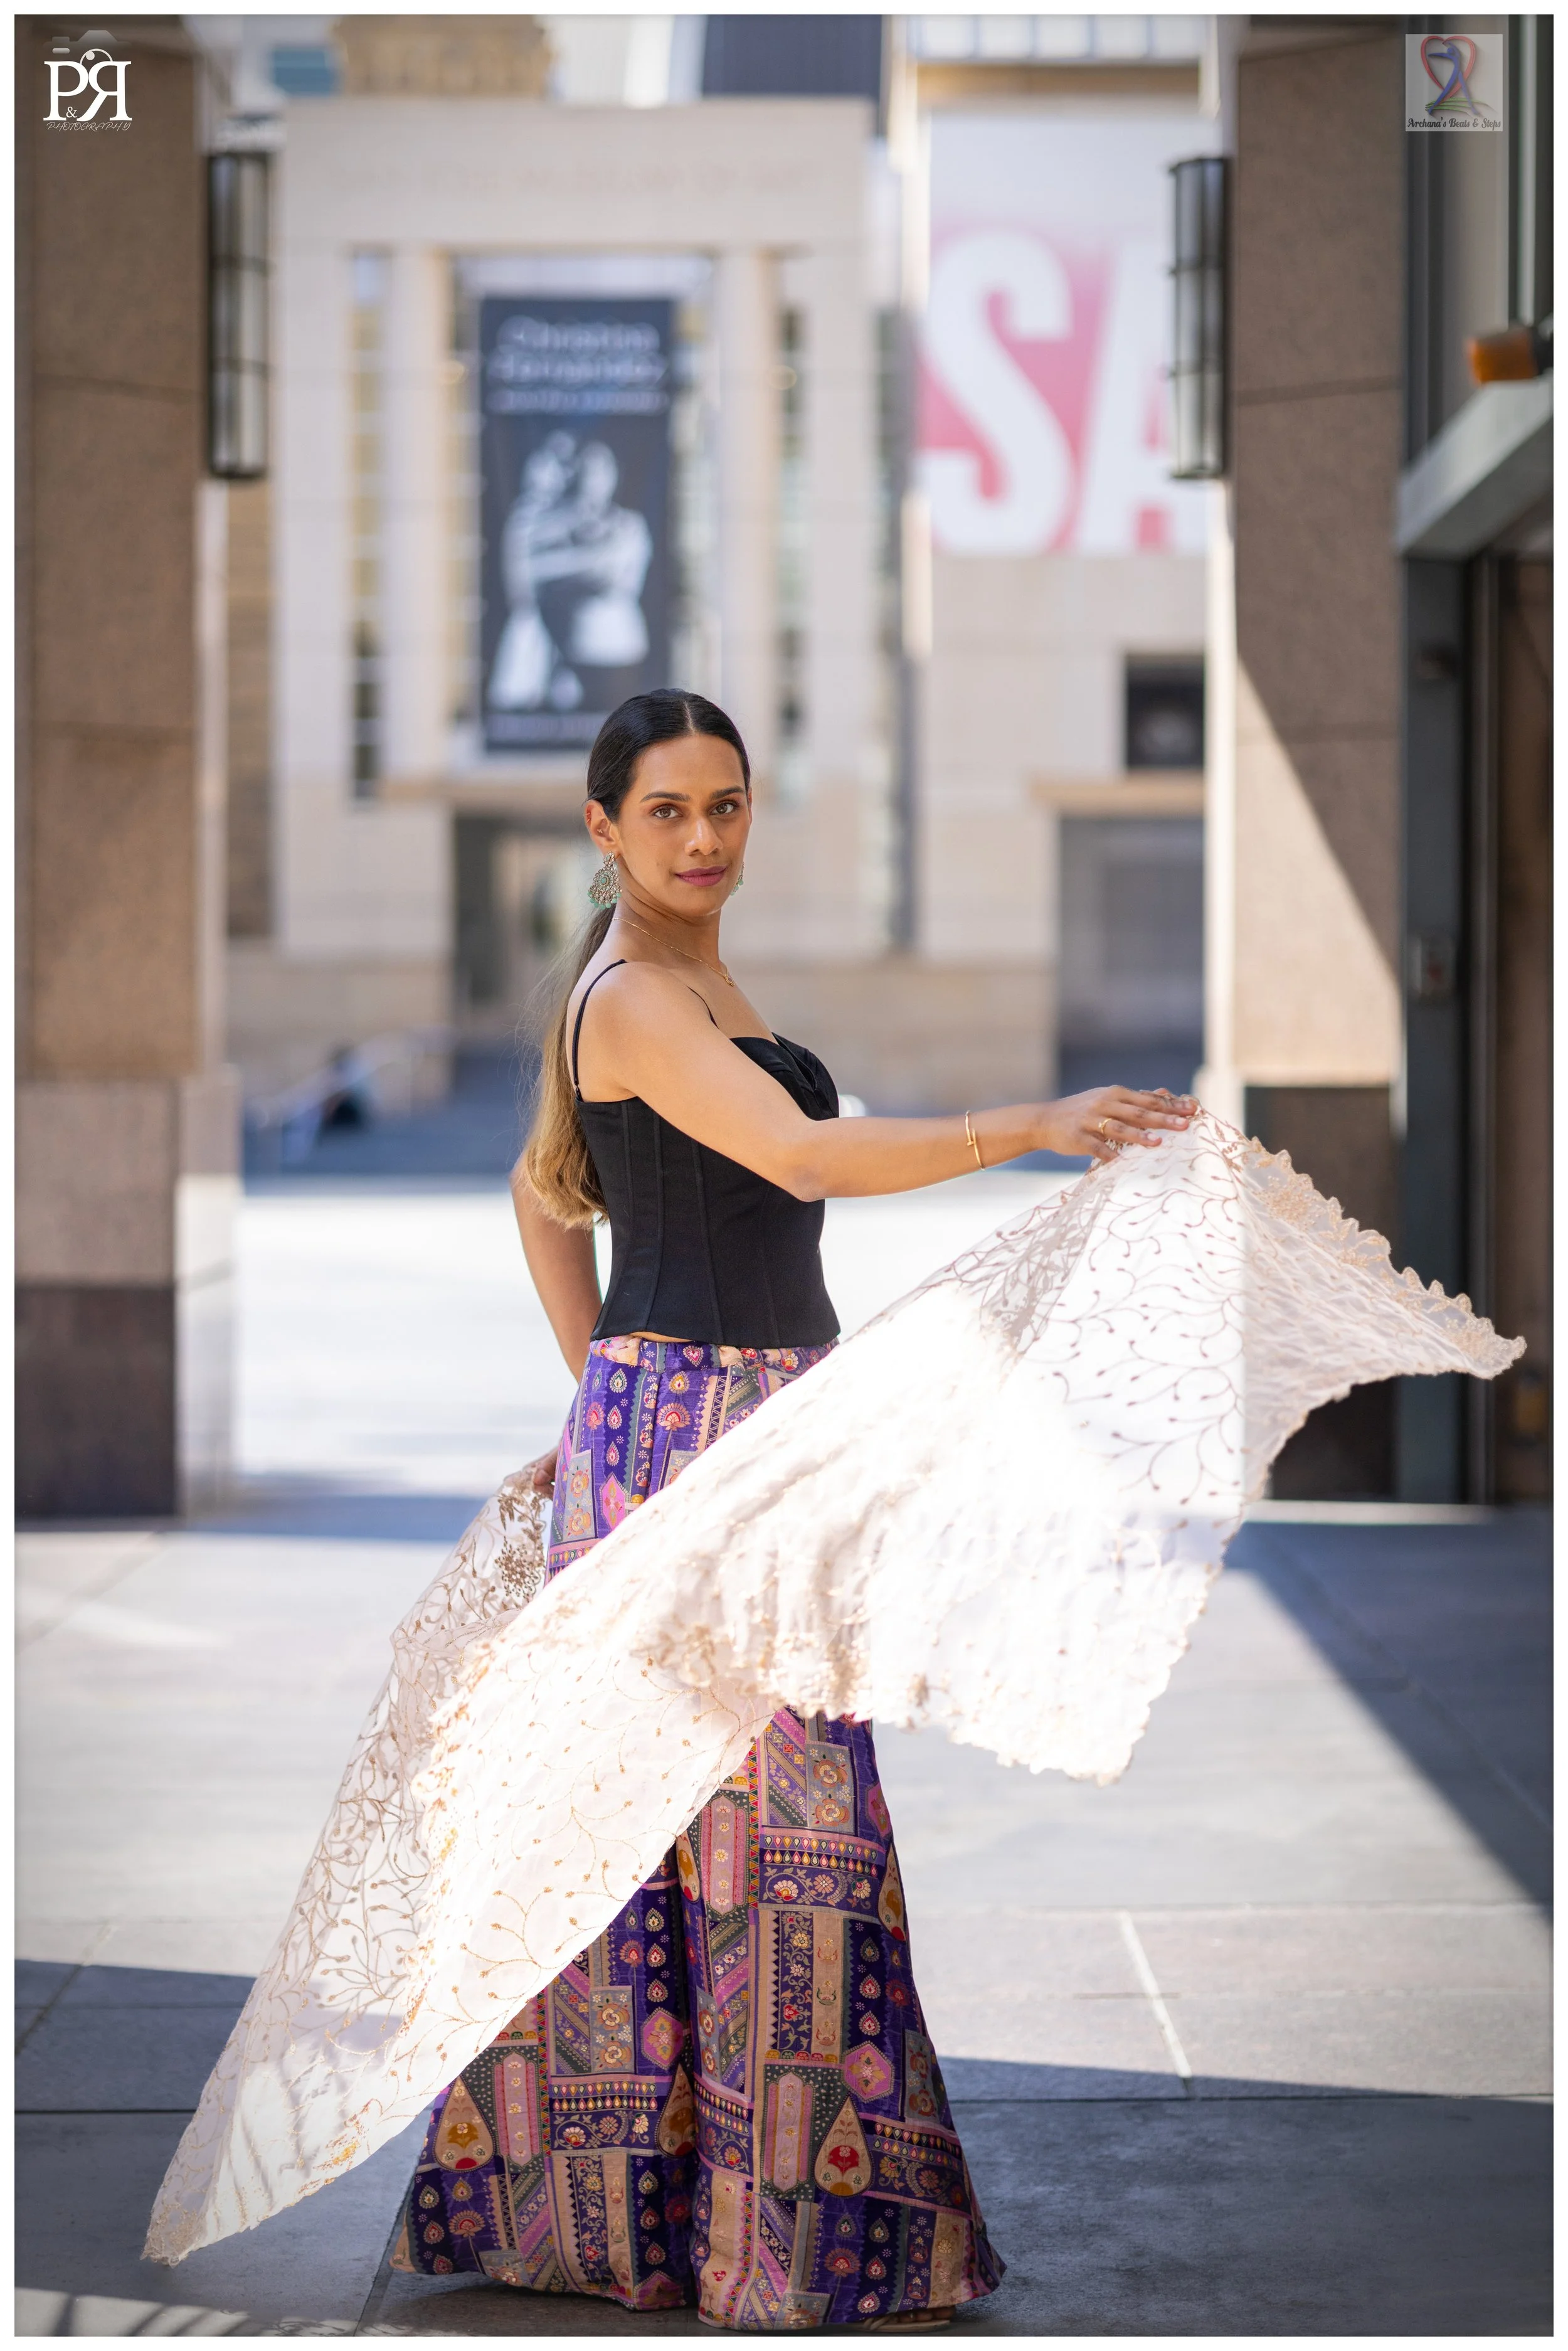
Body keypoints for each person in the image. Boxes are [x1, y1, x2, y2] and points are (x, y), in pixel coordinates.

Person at [388, 687, 1193, 2328]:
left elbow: (544, 1192)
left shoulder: (680, 976)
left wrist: (597, 1385)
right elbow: (798, 1158)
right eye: (669, 811)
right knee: (770, 1838)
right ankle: (774, 2240)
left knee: (739, 1834)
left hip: (722, 1430)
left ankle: (706, 2226)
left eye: (728, 806)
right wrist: (1027, 1124)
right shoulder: (627, 996)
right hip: (703, 1445)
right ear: (601, 828)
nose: (703, 839)